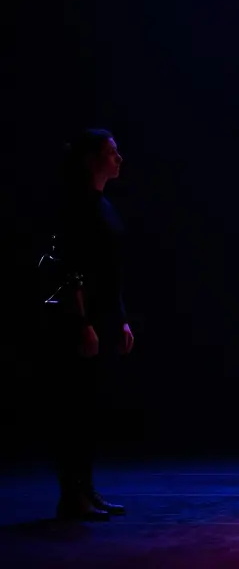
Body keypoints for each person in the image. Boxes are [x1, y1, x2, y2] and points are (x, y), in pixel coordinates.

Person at [42, 129, 135, 520]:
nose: (119, 159)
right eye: (112, 152)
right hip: (82, 320)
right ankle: (71, 495)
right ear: (93, 158)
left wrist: (123, 318)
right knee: (74, 410)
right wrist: (81, 322)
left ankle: (86, 489)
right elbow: (69, 270)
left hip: (105, 316)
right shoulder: (77, 206)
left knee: (91, 410)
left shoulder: (105, 206)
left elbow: (111, 271)